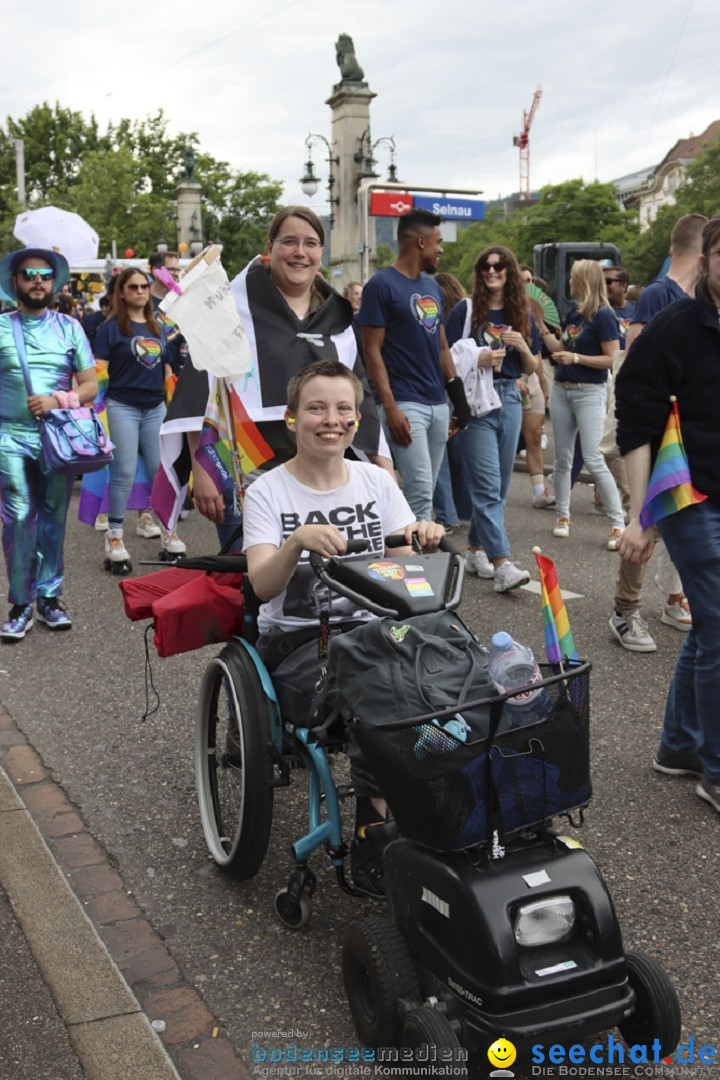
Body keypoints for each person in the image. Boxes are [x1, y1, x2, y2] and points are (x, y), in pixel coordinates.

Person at [243, 358, 443, 894]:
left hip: (376, 627)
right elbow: (262, 586)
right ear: (291, 419)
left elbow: (407, 568)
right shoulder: (267, 491)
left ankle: (448, 799)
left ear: (357, 420)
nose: (330, 420)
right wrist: (295, 542)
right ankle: (377, 819)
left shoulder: (376, 481)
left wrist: (420, 534)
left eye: (343, 410)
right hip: (301, 640)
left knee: (455, 667)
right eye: (316, 408)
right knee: (376, 682)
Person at [155, 206, 392, 552]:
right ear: (270, 248)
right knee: (253, 579)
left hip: (324, 471)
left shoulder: (338, 316)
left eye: (310, 243)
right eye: (290, 242)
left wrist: (384, 465)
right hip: (248, 469)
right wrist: (202, 470)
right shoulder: (229, 307)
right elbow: (200, 390)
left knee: (317, 574)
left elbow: (360, 397)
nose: (300, 252)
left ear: (320, 254)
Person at [615, 215, 720, 815]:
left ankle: (679, 746)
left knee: (709, 625)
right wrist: (638, 515)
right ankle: (715, 767)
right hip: (688, 493)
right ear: (704, 259)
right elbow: (635, 421)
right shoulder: (670, 329)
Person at [607, 215, 707, 651]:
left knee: (675, 525)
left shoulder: (695, 298)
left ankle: (672, 599)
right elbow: (636, 373)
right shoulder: (659, 296)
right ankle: (625, 612)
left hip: (685, 447)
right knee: (643, 520)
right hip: (653, 441)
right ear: (703, 254)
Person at [0, 247, 97, 638]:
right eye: (28, 274)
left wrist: (60, 399)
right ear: (15, 282)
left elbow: (90, 385)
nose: (37, 280)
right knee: (20, 516)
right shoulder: (3, 326)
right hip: (9, 436)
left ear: (54, 283)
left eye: (44, 274)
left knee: (55, 516)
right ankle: (21, 603)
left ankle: (50, 599)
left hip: (59, 435)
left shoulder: (70, 326)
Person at [358, 208, 470, 522]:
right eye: (437, 242)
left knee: (426, 489)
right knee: (420, 491)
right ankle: (414, 562)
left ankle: (394, 548)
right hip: (406, 404)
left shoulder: (433, 288)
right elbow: (372, 351)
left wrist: (458, 398)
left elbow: (442, 346)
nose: (441, 249)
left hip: (438, 404)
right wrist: (390, 407)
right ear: (420, 241)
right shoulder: (380, 286)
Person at [445, 245, 537, 592]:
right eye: (486, 265)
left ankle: (475, 550)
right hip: (475, 401)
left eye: (499, 266)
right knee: (485, 487)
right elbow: (449, 358)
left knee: (499, 487)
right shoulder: (466, 310)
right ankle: (502, 564)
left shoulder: (521, 311)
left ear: (510, 271)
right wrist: (479, 359)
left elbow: (532, 367)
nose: (492, 271)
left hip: (510, 397)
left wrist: (522, 347)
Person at [94, 266, 183, 569]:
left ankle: (169, 532)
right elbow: (98, 371)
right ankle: (114, 536)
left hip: (156, 407)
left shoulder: (158, 326)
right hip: (122, 406)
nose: (140, 291)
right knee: (124, 473)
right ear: (120, 292)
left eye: (144, 286)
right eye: (132, 287)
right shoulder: (109, 329)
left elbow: (168, 365)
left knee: (161, 471)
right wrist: (93, 408)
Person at [540, 259, 625, 549]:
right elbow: (561, 349)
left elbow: (611, 359)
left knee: (593, 457)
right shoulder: (574, 313)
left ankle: (618, 523)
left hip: (589, 391)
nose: (569, 283)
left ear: (583, 280)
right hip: (562, 389)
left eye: (573, 277)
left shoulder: (604, 315)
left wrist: (575, 359)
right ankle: (563, 516)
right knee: (562, 459)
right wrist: (541, 328)